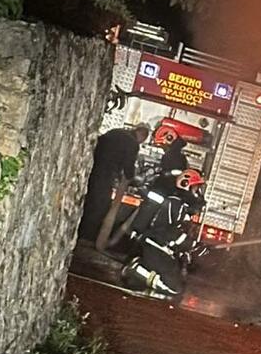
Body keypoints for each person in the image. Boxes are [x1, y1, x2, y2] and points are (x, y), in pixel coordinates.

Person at [121, 170, 206, 299]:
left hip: (157, 246)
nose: (197, 192)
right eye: (195, 188)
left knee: (175, 280)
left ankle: (140, 271)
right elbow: (169, 231)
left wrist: (193, 247)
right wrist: (192, 245)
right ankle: (136, 269)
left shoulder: (178, 205)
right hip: (154, 246)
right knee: (174, 289)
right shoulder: (175, 204)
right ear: (186, 185)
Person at [77, 123, 150, 241]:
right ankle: (85, 235)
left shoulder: (116, 131)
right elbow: (128, 167)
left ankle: (78, 227)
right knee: (100, 205)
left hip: (92, 166)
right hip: (105, 173)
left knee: (88, 198)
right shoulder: (132, 144)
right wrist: (130, 178)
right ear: (142, 136)